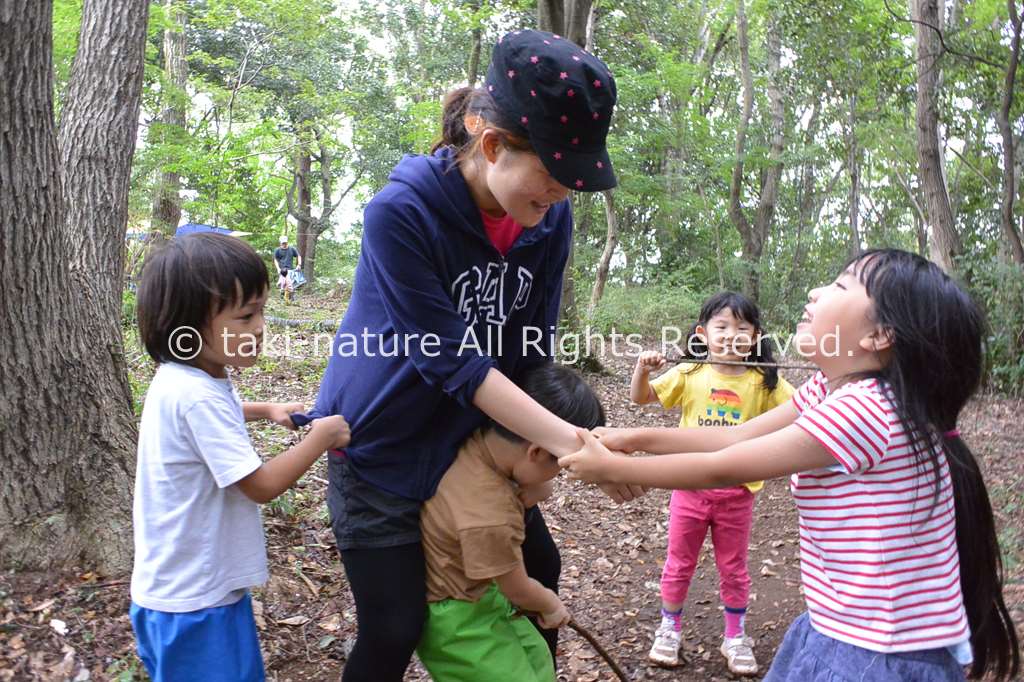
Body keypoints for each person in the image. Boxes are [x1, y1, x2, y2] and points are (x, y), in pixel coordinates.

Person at [302, 29, 642, 682]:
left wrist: (591, 439)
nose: (558, 203)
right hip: (382, 446)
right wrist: (576, 446)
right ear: (491, 145)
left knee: (540, 569)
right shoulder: (401, 214)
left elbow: (528, 349)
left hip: (471, 443)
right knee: (395, 625)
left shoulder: (547, 221)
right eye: (550, 182)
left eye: (570, 188)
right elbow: (453, 362)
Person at [561, 249, 1021, 681]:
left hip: (875, 656)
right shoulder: (832, 388)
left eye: (840, 286)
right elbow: (735, 435)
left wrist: (614, 469)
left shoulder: (869, 408)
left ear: (878, 336)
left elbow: (724, 466)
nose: (815, 293)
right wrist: (631, 439)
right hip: (845, 629)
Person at [130, 233, 350, 681]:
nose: (261, 326)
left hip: (184, 594)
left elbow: (209, 422)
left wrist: (265, 410)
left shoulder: (182, 379)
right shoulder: (197, 396)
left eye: (263, 311)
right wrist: (320, 439)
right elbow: (260, 485)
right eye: (246, 315)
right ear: (187, 327)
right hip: (197, 602)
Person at [630, 292, 794, 672]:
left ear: (755, 337)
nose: (731, 334)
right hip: (689, 489)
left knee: (734, 567)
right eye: (721, 326)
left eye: (742, 327)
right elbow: (641, 398)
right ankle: (669, 628)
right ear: (703, 333)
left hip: (737, 494)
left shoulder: (764, 382)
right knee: (678, 563)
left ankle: (735, 637)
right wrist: (642, 368)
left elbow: (803, 409)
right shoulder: (689, 373)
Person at [416, 363, 605, 681]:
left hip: (482, 596)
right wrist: (550, 604)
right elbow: (517, 589)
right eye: (559, 468)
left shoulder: (476, 439)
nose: (555, 479)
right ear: (536, 452)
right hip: (457, 619)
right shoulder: (492, 517)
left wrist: (535, 485)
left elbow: (528, 477)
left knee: (539, 662)